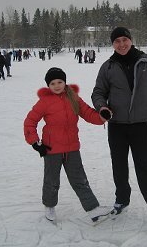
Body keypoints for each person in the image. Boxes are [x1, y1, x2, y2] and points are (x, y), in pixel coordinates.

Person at [91, 27, 147, 229]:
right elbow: (98, 92)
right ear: (112, 44)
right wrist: (102, 107)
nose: (121, 44)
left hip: (140, 125)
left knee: (144, 167)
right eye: (117, 41)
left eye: (124, 40)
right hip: (116, 126)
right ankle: (122, 200)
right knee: (118, 166)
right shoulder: (108, 67)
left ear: (130, 40)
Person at [24, 67, 112, 224]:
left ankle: (93, 209)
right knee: (51, 180)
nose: (57, 85)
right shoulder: (44, 102)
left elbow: (88, 113)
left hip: (72, 148)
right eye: (53, 83)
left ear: (65, 82)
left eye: (60, 82)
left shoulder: (74, 98)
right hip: (51, 149)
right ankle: (49, 206)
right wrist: (35, 142)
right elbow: (30, 122)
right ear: (48, 85)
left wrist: (102, 117)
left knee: (80, 179)